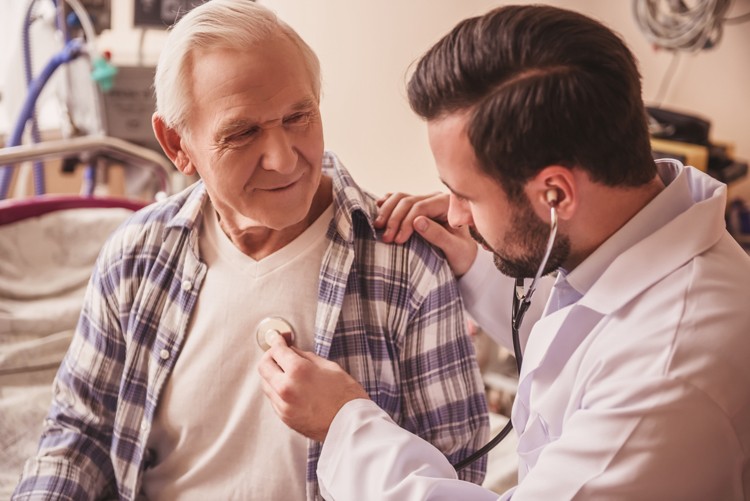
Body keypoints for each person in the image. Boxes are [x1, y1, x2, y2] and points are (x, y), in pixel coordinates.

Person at [259, 4, 750, 499]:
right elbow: (587, 337)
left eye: (466, 196)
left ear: (555, 195)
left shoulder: (669, 372)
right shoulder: (625, 234)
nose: (453, 215)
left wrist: (345, 426)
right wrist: (475, 263)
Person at [12, 1, 491, 499]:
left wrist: (348, 419)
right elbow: (80, 432)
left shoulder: (406, 266)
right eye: (242, 133)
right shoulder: (136, 256)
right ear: (177, 143)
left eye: (298, 116)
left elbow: (458, 467)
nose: (283, 160)